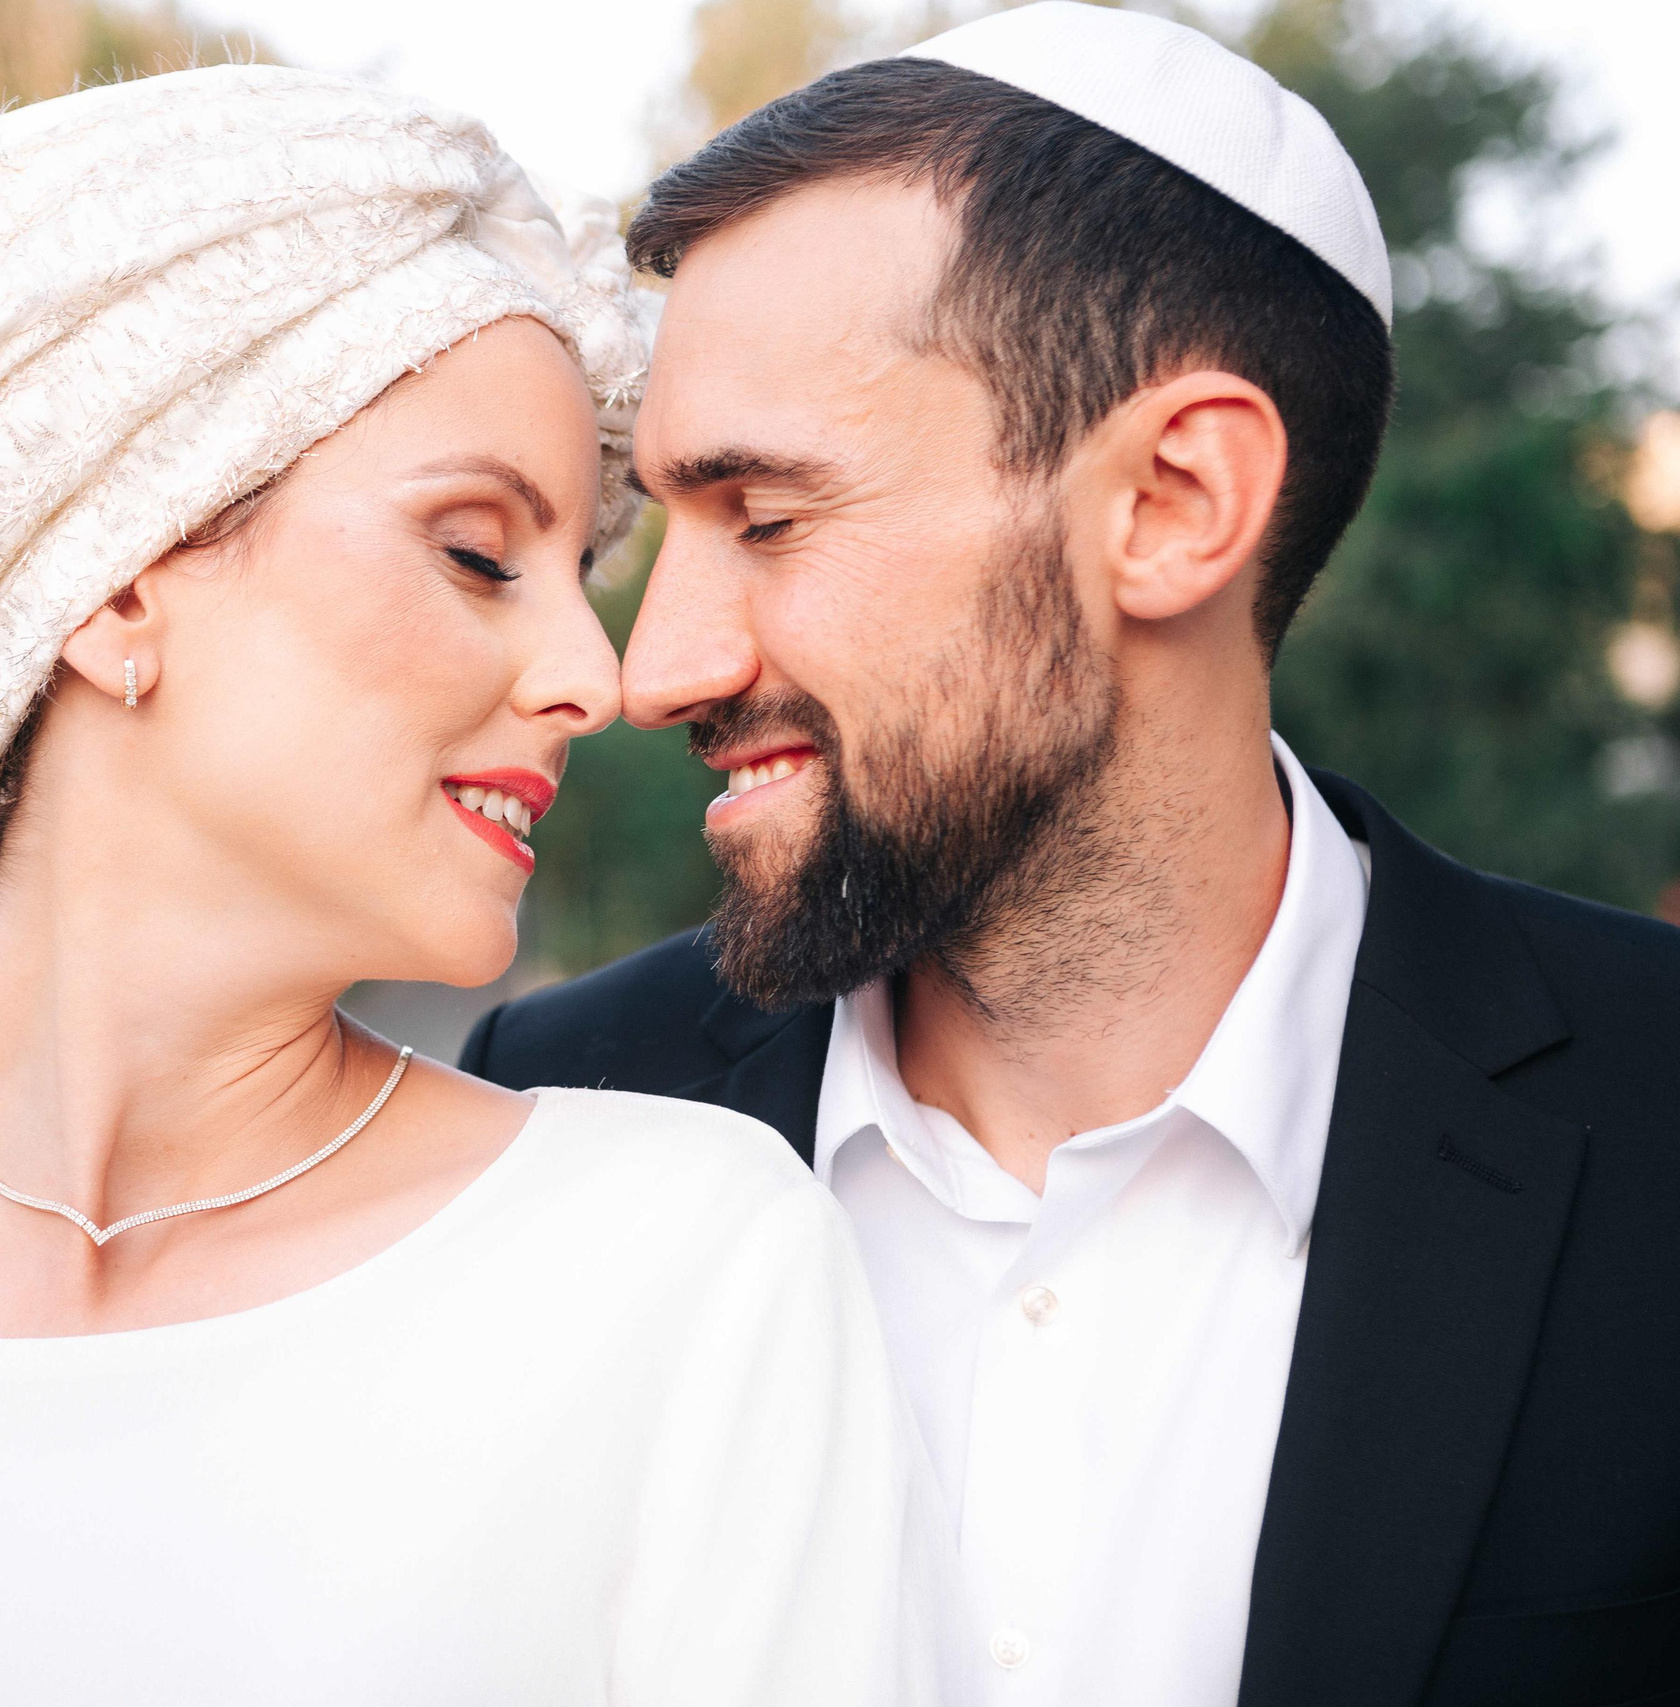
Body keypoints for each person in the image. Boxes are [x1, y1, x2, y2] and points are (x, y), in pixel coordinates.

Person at [0, 64, 948, 1707]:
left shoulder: (685, 1263)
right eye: (474, 552)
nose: (595, 676)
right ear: (113, 590)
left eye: (575, 576)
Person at [463, 6, 1680, 1705]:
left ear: (1175, 500)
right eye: (667, 528)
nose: (652, 666)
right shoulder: (554, 1124)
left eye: (770, 517)